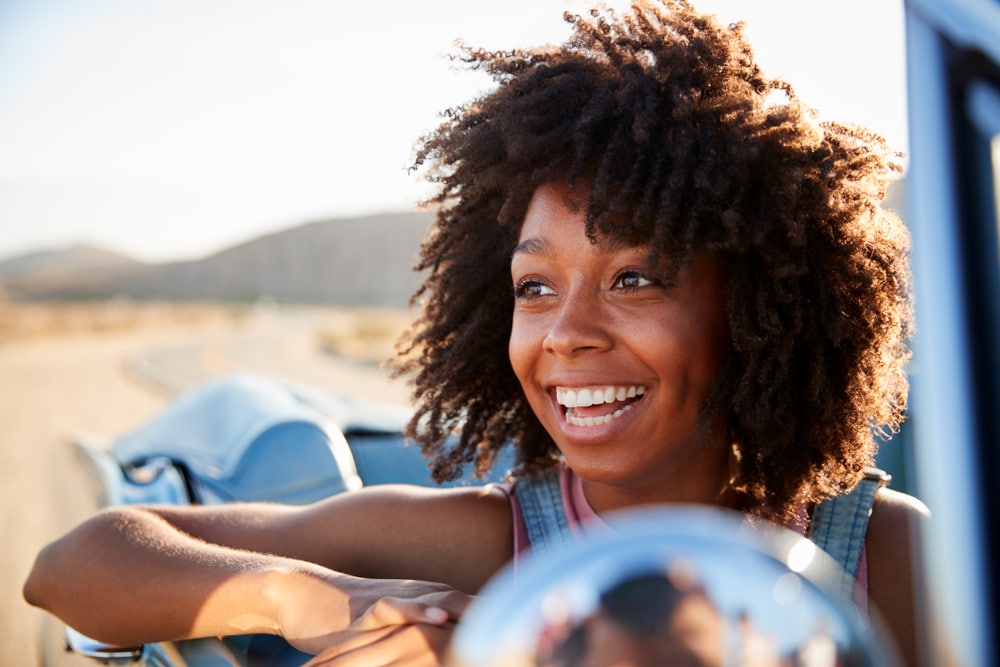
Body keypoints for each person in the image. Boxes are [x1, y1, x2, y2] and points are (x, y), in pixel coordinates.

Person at [23, 1, 929, 665]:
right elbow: (76, 561)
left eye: (634, 277)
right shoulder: (487, 546)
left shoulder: (887, 554)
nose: (567, 333)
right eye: (535, 286)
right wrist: (311, 598)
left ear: (760, 305)